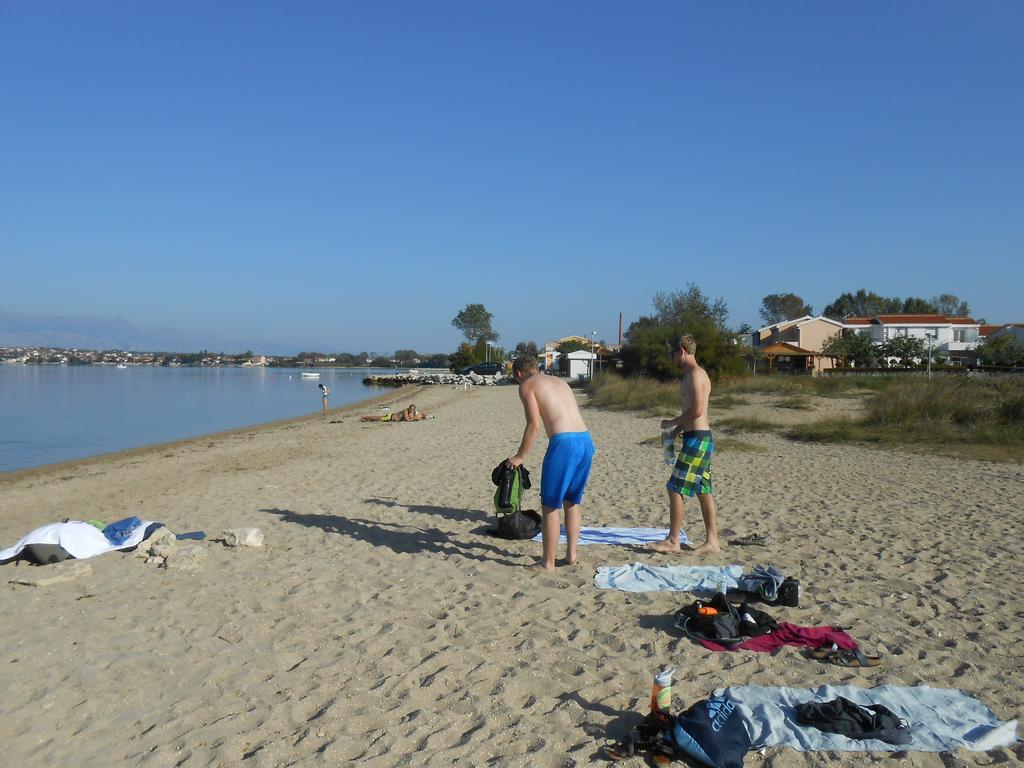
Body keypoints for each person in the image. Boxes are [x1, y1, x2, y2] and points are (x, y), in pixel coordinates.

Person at [506, 355, 594, 571]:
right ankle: (571, 555)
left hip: (564, 445)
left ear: (518, 374)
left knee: (550, 506)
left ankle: (548, 562)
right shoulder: (559, 381)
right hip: (585, 440)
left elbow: (534, 425)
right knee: (572, 501)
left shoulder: (527, 385)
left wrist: (520, 456)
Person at [648, 333, 721, 555]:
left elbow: (698, 411)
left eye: (672, 354)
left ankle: (673, 540)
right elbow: (693, 412)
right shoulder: (691, 374)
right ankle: (712, 541)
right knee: (703, 490)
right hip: (695, 437)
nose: (671, 359)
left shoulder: (696, 374)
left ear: (681, 351)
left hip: (699, 440)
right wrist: (677, 429)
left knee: (674, 488)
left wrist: (672, 421)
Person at [360, 403, 429, 422]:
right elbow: (407, 419)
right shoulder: (405, 411)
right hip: (390, 417)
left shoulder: (413, 412)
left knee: (377, 418)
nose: (411, 410)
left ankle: (365, 418)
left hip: (392, 418)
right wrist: (415, 417)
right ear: (409, 408)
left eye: (413, 409)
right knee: (377, 418)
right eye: (411, 409)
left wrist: (423, 415)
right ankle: (364, 417)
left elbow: (420, 414)